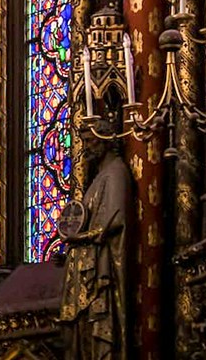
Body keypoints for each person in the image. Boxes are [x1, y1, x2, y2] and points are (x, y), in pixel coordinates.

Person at [60, 133, 130, 360]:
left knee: (100, 322)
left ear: (107, 140)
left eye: (91, 141)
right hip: (85, 264)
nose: (86, 147)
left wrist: (79, 240)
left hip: (101, 263)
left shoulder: (116, 172)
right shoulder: (98, 178)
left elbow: (115, 220)